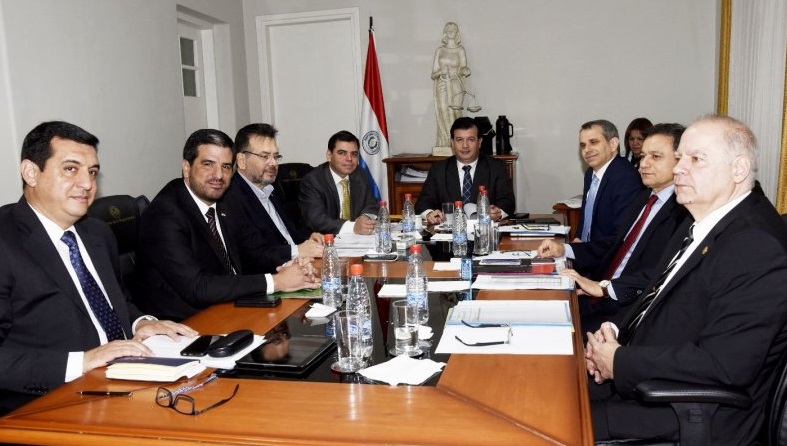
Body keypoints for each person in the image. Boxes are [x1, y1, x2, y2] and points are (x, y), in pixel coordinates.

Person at [586, 115, 787, 444]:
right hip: (648, 375)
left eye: (696, 159)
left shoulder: (756, 244)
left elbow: (726, 364)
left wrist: (619, 361)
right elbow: (657, 298)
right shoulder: (700, 219)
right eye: (680, 158)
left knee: (547, 421)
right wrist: (613, 334)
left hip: (688, 411)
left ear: (738, 169)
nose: (679, 169)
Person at [0, 121, 196, 414]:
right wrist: (82, 361)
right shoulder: (5, 242)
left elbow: (114, 302)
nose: (87, 184)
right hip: (48, 403)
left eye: (92, 172)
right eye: (71, 169)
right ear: (31, 172)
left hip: (123, 381)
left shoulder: (97, 232)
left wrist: (141, 323)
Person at [135, 129, 319, 321]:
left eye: (225, 167)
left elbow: (255, 252)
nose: (218, 175)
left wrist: (293, 266)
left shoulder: (225, 202)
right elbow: (197, 287)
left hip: (231, 306)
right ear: (187, 168)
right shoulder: (164, 215)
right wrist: (276, 281)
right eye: (208, 164)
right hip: (186, 322)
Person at [538, 123, 688, 333]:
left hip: (627, 308)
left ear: (681, 161)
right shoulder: (645, 198)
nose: (643, 164)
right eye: (643, 156)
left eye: (655, 157)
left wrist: (605, 288)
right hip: (601, 290)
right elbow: (613, 244)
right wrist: (565, 249)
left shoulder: (684, 211)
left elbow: (661, 274)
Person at [223, 123, 324, 265]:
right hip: (273, 273)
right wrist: (297, 251)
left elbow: (287, 233)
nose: (273, 163)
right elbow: (251, 255)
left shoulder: (270, 189)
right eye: (265, 156)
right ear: (241, 161)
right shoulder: (230, 198)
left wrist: (308, 238)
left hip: (298, 265)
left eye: (276, 156)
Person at [416, 117, 516, 224]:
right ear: (452, 142)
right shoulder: (438, 169)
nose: (465, 145)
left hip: (484, 228)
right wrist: (429, 214)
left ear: (479, 142)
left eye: (471, 139)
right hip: (449, 231)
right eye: (459, 140)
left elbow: (508, 203)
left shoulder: (496, 167)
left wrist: (498, 212)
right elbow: (423, 204)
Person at [299, 130, 379, 235]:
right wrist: (353, 227)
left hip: (357, 239)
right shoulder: (313, 181)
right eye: (342, 153)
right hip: (326, 239)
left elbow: (371, 204)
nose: (349, 159)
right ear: (329, 155)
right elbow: (316, 219)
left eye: (354, 154)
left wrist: (365, 218)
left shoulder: (360, 173)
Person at [575, 119, 642, 242]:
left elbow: (619, 236)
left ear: (613, 144)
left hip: (607, 252)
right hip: (587, 248)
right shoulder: (590, 173)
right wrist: (577, 240)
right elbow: (585, 220)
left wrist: (577, 249)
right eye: (583, 145)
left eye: (594, 142)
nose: (587, 150)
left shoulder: (626, 177)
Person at [432, 21, 471, 149]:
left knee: (455, 112)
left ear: (456, 33)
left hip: (455, 84)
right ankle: (446, 141)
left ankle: (458, 140)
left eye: (453, 29)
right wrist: (441, 72)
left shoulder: (460, 50)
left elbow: (463, 67)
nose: (450, 31)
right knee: (443, 110)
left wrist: (464, 70)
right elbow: (433, 74)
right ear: (445, 32)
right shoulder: (440, 51)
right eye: (448, 29)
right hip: (443, 84)